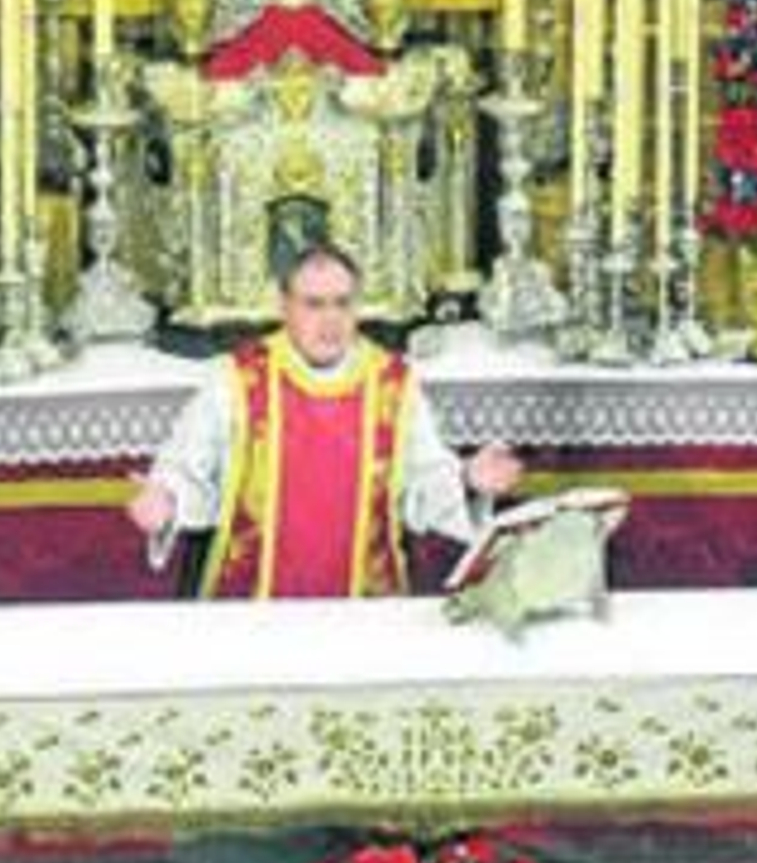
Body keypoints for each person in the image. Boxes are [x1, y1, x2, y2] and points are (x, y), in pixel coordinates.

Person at [127, 241, 522, 598]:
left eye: (342, 303)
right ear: (284, 306)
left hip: (364, 614)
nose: (330, 319)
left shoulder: (394, 384)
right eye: (314, 304)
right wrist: (167, 500)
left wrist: (468, 478)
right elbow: (189, 471)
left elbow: (423, 485)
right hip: (250, 613)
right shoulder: (237, 379)